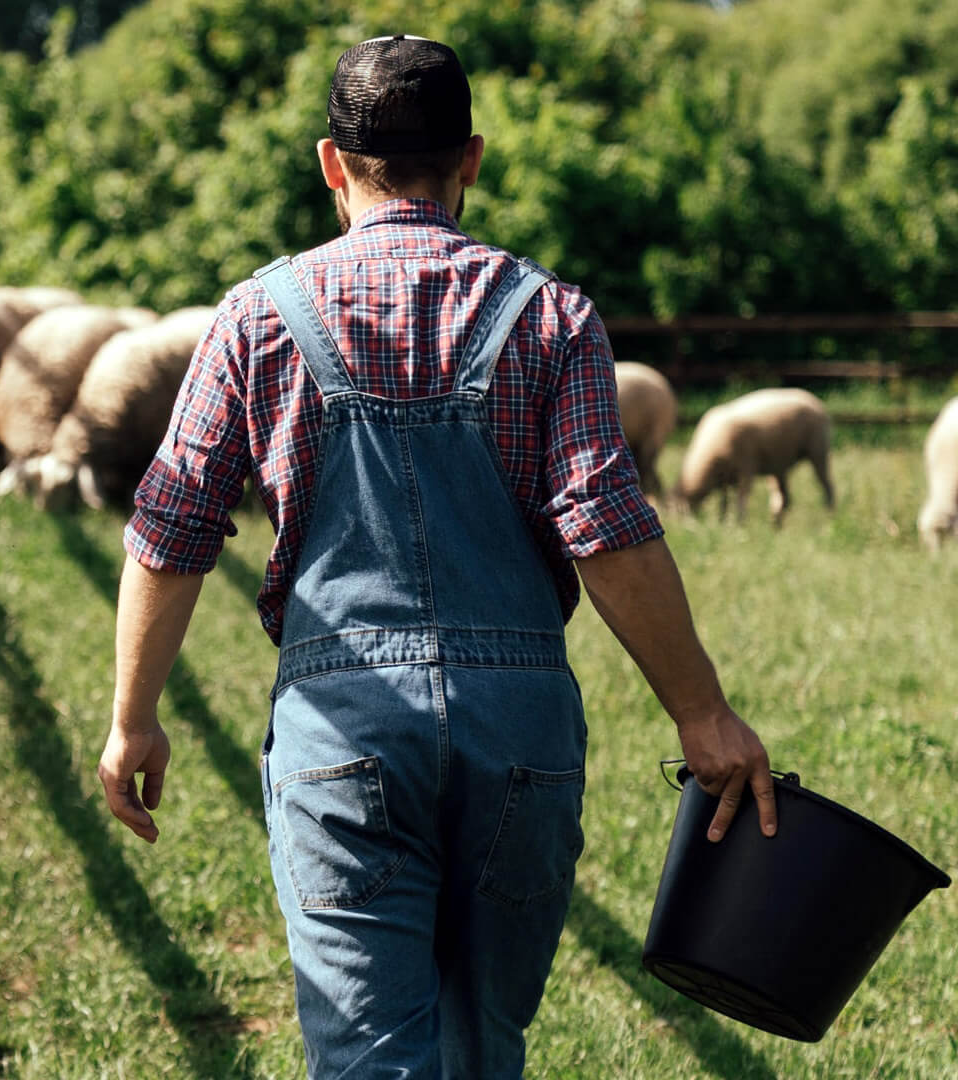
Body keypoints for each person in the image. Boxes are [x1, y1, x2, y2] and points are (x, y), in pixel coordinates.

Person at [95, 34, 777, 1078]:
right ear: (473, 158)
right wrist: (701, 711)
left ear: (333, 163)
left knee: (372, 1060)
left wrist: (133, 717)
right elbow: (605, 526)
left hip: (341, 725)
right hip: (521, 730)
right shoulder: (552, 316)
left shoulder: (253, 319)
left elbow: (173, 525)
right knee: (479, 1047)